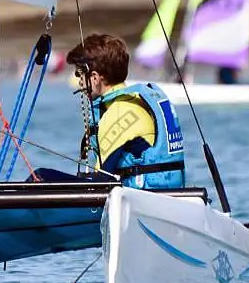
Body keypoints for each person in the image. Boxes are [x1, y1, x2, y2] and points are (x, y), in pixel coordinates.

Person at [31, 34, 185, 189]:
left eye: (79, 74)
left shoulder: (118, 113)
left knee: (40, 177)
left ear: (95, 78)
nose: (79, 81)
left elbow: (102, 182)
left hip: (144, 199)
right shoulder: (135, 101)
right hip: (167, 191)